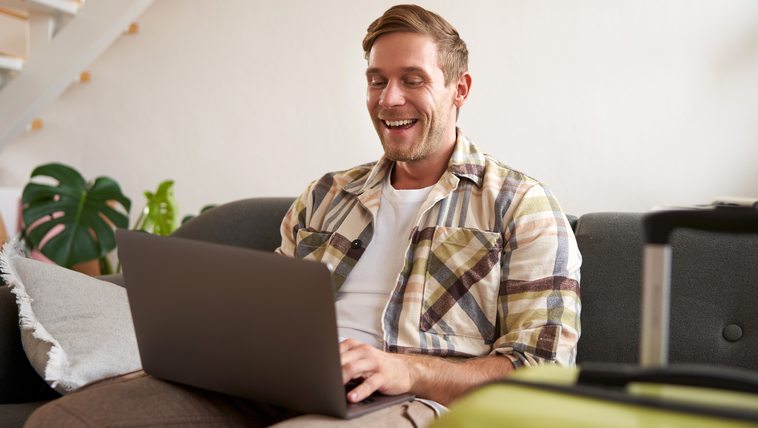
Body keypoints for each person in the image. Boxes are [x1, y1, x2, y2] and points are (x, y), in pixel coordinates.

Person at [26, 4, 580, 428]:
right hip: (272, 384)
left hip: (407, 396)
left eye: (412, 79)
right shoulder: (326, 195)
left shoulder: (520, 205)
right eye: (376, 79)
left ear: (458, 90)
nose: (389, 99)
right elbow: (270, 313)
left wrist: (406, 368)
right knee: (68, 421)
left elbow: (543, 372)